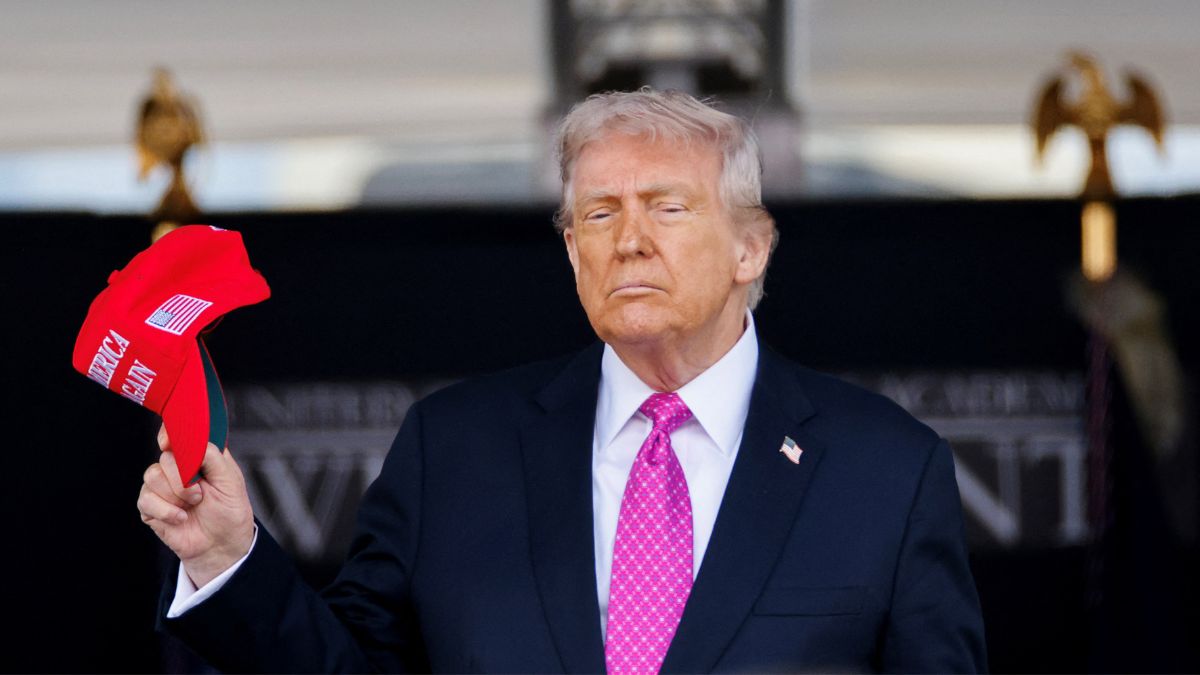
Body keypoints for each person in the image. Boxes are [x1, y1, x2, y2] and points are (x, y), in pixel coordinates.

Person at [138, 88, 987, 673]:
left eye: (668, 206)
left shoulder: (886, 469)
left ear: (750, 248)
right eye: (599, 213)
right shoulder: (456, 449)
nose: (629, 239)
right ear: (573, 250)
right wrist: (227, 558)